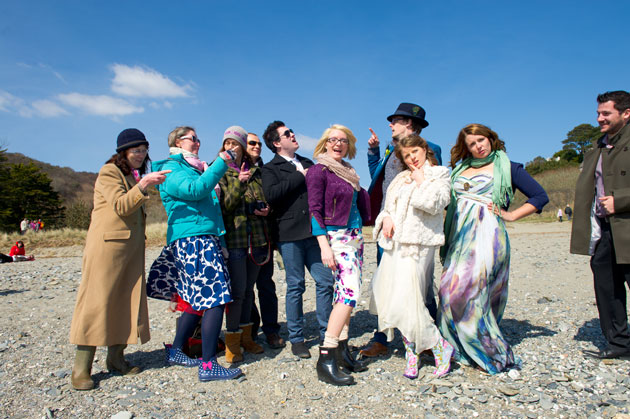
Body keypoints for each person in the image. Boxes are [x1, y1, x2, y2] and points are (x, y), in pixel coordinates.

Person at [438, 123, 548, 375]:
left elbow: (540, 196)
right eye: (472, 144)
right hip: (458, 235)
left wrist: (511, 216)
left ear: (491, 138)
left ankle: (486, 349)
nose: (478, 146)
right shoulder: (459, 170)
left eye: (481, 140)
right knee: (447, 290)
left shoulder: (508, 166)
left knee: (469, 291)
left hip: (488, 235)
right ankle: (456, 348)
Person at [69, 128, 170, 391]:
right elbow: (121, 206)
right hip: (107, 248)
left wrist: (141, 182)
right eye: (136, 150)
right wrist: (145, 184)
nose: (141, 154)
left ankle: (116, 359)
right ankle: (81, 368)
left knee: (128, 301)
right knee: (96, 303)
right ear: (123, 151)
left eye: (145, 149)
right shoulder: (109, 172)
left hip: (131, 249)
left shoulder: (131, 174)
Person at [149, 126, 243, 381]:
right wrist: (221, 163)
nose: (198, 142)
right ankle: (209, 365)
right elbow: (194, 190)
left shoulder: (192, 167)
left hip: (201, 237)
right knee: (215, 298)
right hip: (194, 239)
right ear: (178, 142)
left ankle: (177, 350)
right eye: (193, 138)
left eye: (199, 138)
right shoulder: (171, 168)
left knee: (195, 300)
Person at [361, 102, 443, 358]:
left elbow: (434, 190)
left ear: (409, 124)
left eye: (394, 120)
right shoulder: (389, 149)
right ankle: (382, 339)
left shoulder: (431, 150)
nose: (390, 125)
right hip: (388, 227)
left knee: (421, 284)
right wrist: (373, 152)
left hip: (416, 230)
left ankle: (430, 340)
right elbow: (379, 177)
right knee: (385, 282)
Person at [371, 134, 453, 379]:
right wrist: (385, 217)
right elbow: (387, 206)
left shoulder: (439, 173)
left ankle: (439, 345)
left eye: (414, 152)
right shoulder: (399, 178)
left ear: (424, 149)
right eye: (406, 156)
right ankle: (412, 352)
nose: (411, 159)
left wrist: (421, 181)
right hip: (395, 245)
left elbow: (437, 203)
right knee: (395, 299)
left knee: (411, 299)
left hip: (419, 244)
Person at [261, 121, 334, 359]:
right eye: (286, 134)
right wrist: (298, 176)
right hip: (289, 235)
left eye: (292, 132)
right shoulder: (270, 169)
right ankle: (297, 338)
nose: (293, 135)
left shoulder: (308, 162)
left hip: (314, 234)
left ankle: (326, 334)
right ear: (276, 143)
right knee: (296, 286)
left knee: (325, 281)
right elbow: (271, 195)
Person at [305, 124, 370, 386]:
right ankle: (326, 356)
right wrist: (323, 245)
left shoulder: (350, 172)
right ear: (324, 143)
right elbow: (314, 210)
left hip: (354, 237)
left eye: (343, 140)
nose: (338, 144)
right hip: (336, 238)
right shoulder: (318, 170)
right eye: (332, 139)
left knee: (345, 295)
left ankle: (342, 350)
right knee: (350, 293)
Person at [570, 91, 630, 360]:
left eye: (606, 113)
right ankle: (619, 343)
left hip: (627, 224)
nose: (599, 118)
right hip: (604, 229)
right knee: (606, 286)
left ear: (626, 113)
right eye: (598, 113)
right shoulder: (598, 146)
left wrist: (622, 201)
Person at [218, 126, 270, 362]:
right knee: (237, 293)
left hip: (257, 238)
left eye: (235, 144)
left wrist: (266, 209)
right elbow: (225, 207)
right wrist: (239, 183)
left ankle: (248, 338)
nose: (231, 148)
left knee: (249, 290)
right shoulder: (220, 171)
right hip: (236, 239)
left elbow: (264, 198)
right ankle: (232, 342)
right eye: (227, 143)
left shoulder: (256, 171)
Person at [246, 133, 285, 349]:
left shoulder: (267, 170)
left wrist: (270, 210)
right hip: (243, 238)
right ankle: (249, 330)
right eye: (252, 143)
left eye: (259, 143)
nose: (257, 146)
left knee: (266, 286)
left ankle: (271, 330)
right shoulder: (231, 169)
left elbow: (276, 196)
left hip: (266, 237)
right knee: (245, 289)